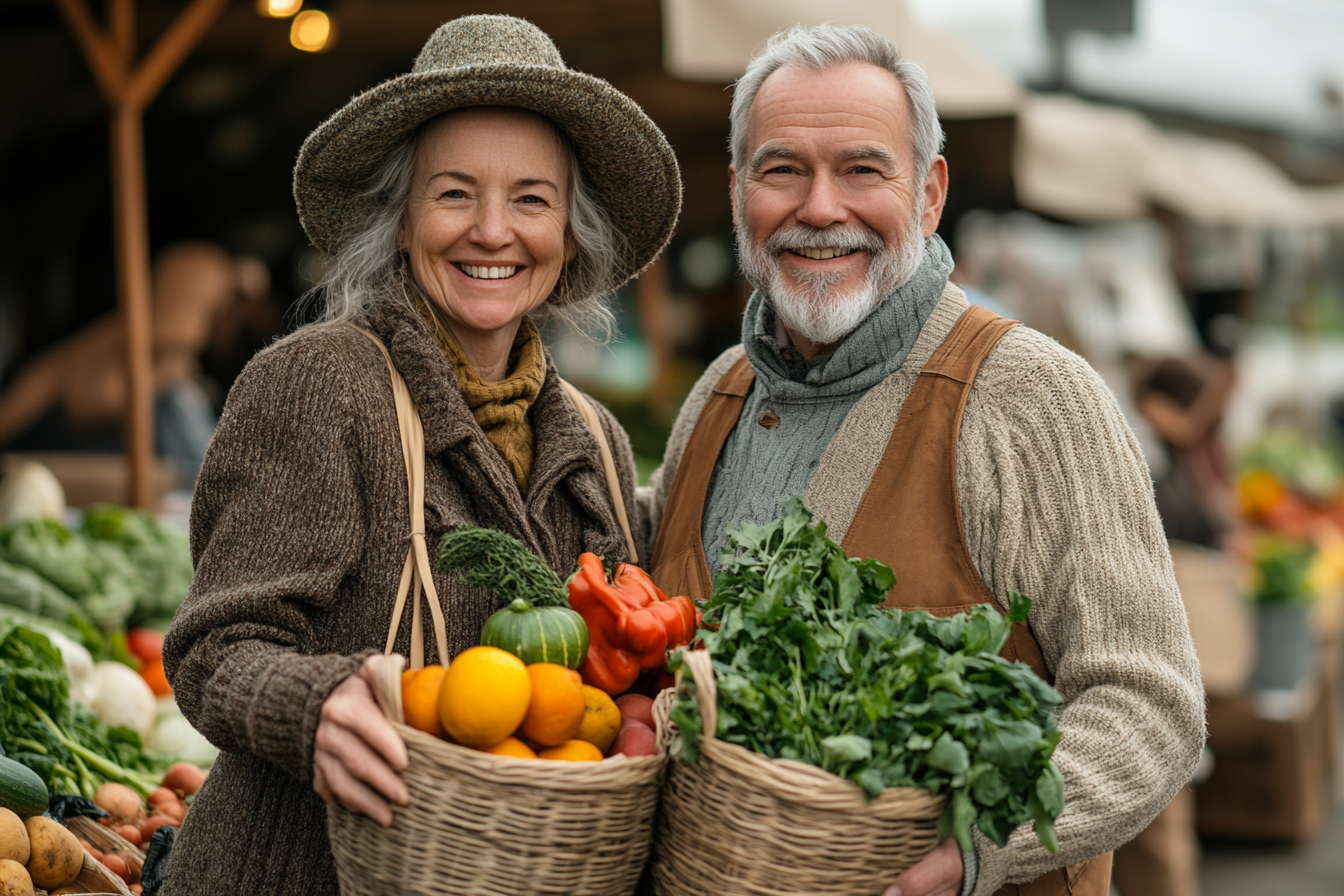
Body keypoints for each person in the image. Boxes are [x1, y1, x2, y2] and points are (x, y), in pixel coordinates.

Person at [641, 24, 1204, 896]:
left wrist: (979, 844)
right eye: (782, 168)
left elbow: (1150, 706)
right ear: (738, 190)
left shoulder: (1034, 398)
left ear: (930, 192)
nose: (820, 208)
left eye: (864, 169)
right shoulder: (717, 395)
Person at [160, 15, 680, 895]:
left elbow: (611, 684)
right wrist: (313, 707)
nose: (491, 231)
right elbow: (215, 647)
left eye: (530, 198)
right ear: (399, 220)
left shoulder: (597, 438)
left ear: (569, 232)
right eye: (452, 194)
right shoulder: (320, 383)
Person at [0, 241, 268, 480]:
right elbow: (175, 336)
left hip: (89, 413)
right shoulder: (206, 273)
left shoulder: (160, 336)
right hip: (85, 415)